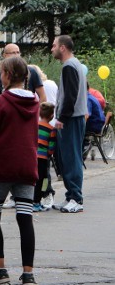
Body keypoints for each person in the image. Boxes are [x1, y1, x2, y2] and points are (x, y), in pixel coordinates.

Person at [0, 55, 39, 285]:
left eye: (1, 72)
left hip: (2, 168)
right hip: (26, 166)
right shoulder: (34, 102)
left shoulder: (0, 103)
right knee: (25, 219)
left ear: (7, 75)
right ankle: (28, 273)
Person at [50, 35, 87, 214]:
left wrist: (61, 118)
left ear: (63, 48)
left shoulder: (69, 66)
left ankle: (76, 198)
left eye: (54, 45)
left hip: (71, 119)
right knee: (69, 157)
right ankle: (71, 195)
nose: (52, 49)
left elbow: (70, 96)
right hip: (74, 117)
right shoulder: (76, 64)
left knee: (71, 158)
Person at [34, 102, 57, 212]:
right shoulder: (51, 130)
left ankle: (31, 201)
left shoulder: (34, 126)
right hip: (43, 160)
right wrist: (49, 153)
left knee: (33, 180)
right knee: (43, 181)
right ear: (52, 116)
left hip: (33, 157)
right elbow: (51, 147)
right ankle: (37, 201)